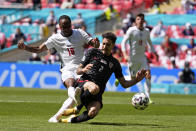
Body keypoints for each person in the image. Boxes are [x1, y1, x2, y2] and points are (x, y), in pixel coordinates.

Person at [17, 15, 100, 123]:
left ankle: (55, 118)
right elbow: (39, 49)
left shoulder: (79, 33)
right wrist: (25, 47)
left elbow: (93, 43)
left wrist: (96, 43)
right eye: (63, 27)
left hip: (81, 67)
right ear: (59, 27)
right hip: (67, 67)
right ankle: (76, 98)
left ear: (71, 25)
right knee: (70, 83)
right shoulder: (55, 38)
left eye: (67, 26)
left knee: (72, 98)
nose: (65, 29)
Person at [58, 32, 147, 123]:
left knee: (93, 112)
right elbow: (78, 70)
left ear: (113, 45)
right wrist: (83, 69)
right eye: (103, 43)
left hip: (97, 93)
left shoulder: (115, 63)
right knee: (94, 88)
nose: (104, 46)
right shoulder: (92, 52)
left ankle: (68, 120)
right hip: (83, 83)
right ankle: (78, 104)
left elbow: (124, 84)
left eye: (108, 44)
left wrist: (136, 80)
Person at [118, 13, 158, 104]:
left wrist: (155, 53)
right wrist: (125, 54)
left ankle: (148, 97)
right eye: (138, 19)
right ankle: (120, 78)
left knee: (148, 75)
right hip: (133, 58)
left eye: (142, 19)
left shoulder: (147, 31)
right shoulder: (131, 30)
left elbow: (150, 42)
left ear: (144, 21)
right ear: (135, 21)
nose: (140, 21)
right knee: (133, 79)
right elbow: (123, 42)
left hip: (142, 58)